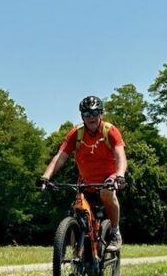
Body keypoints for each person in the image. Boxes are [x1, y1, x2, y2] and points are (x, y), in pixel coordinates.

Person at [37, 95, 127, 251]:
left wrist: (120, 176)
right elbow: (60, 157)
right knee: (76, 211)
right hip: (86, 181)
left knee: (107, 192)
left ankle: (114, 232)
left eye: (94, 113)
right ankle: (77, 259)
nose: (91, 117)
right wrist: (46, 177)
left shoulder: (110, 131)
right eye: (86, 114)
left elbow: (121, 156)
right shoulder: (76, 134)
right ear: (82, 116)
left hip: (108, 178)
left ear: (101, 114)